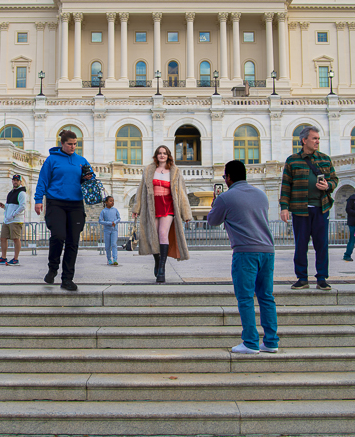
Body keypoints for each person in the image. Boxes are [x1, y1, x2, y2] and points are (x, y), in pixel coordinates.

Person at [205, 160, 278, 355]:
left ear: (228, 177)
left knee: (245, 297)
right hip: (267, 250)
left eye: (224, 177)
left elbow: (212, 221)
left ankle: (250, 342)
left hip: (245, 251)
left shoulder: (226, 198)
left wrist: (215, 203)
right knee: (266, 296)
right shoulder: (261, 195)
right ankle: (271, 341)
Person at [279, 125, 339, 290]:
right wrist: (284, 207)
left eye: (318, 138)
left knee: (322, 245)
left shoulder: (325, 159)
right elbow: (286, 186)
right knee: (301, 245)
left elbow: (335, 179)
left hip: (321, 208)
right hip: (300, 209)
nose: (317, 141)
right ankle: (302, 278)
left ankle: (321, 278)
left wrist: (328, 185)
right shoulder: (292, 160)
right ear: (304, 140)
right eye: (314, 138)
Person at [34, 130, 92, 291]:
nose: (73, 147)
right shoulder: (52, 160)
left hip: (76, 204)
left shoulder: (81, 160)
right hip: (56, 203)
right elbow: (43, 180)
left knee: (73, 242)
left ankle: (67, 278)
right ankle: (53, 268)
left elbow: (90, 179)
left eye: (75, 144)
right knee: (58, 236)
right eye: (70, 144)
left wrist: (87, 177)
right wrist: (38, 200)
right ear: (62, 144)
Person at [131, 145, 192, 284]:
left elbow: (182, 192)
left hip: (168, 205)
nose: (162, 155)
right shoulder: (149, 169)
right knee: (154, 234)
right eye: (160, 153)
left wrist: (186, 213)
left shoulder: (175, 171)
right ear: (156, 155)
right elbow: (141, 190)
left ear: (168, 155)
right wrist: (136, 208)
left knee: (163, 234)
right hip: (152, 205)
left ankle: (162, 269)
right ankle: (157, 262)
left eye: (164, 153)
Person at [0, 175, 27, 265]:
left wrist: (13, 215)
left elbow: (22, 206)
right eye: (14, 180)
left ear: (20, 182)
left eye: (17, 180)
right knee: (3, 238)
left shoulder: (22, 193)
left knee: (16, 239)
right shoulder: (11, 192)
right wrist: (4, 207)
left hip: (15, 220)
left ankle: (15, 259)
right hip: (8, 220)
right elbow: (10, 206)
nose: (15, 182)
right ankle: (3, 257)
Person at [99, 196, 121, 266]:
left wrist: (115, 222)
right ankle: (109, 259)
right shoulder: (103, 211)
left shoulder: (115, 210)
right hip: (107, 230)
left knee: (114, 244)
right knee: (107, 246)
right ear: (106, 202)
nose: (112, 202)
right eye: (111, 201)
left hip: (114, 230)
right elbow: (100, 221)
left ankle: (115, 259)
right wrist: (109, 223)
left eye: (113, 201)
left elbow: (119, 218)